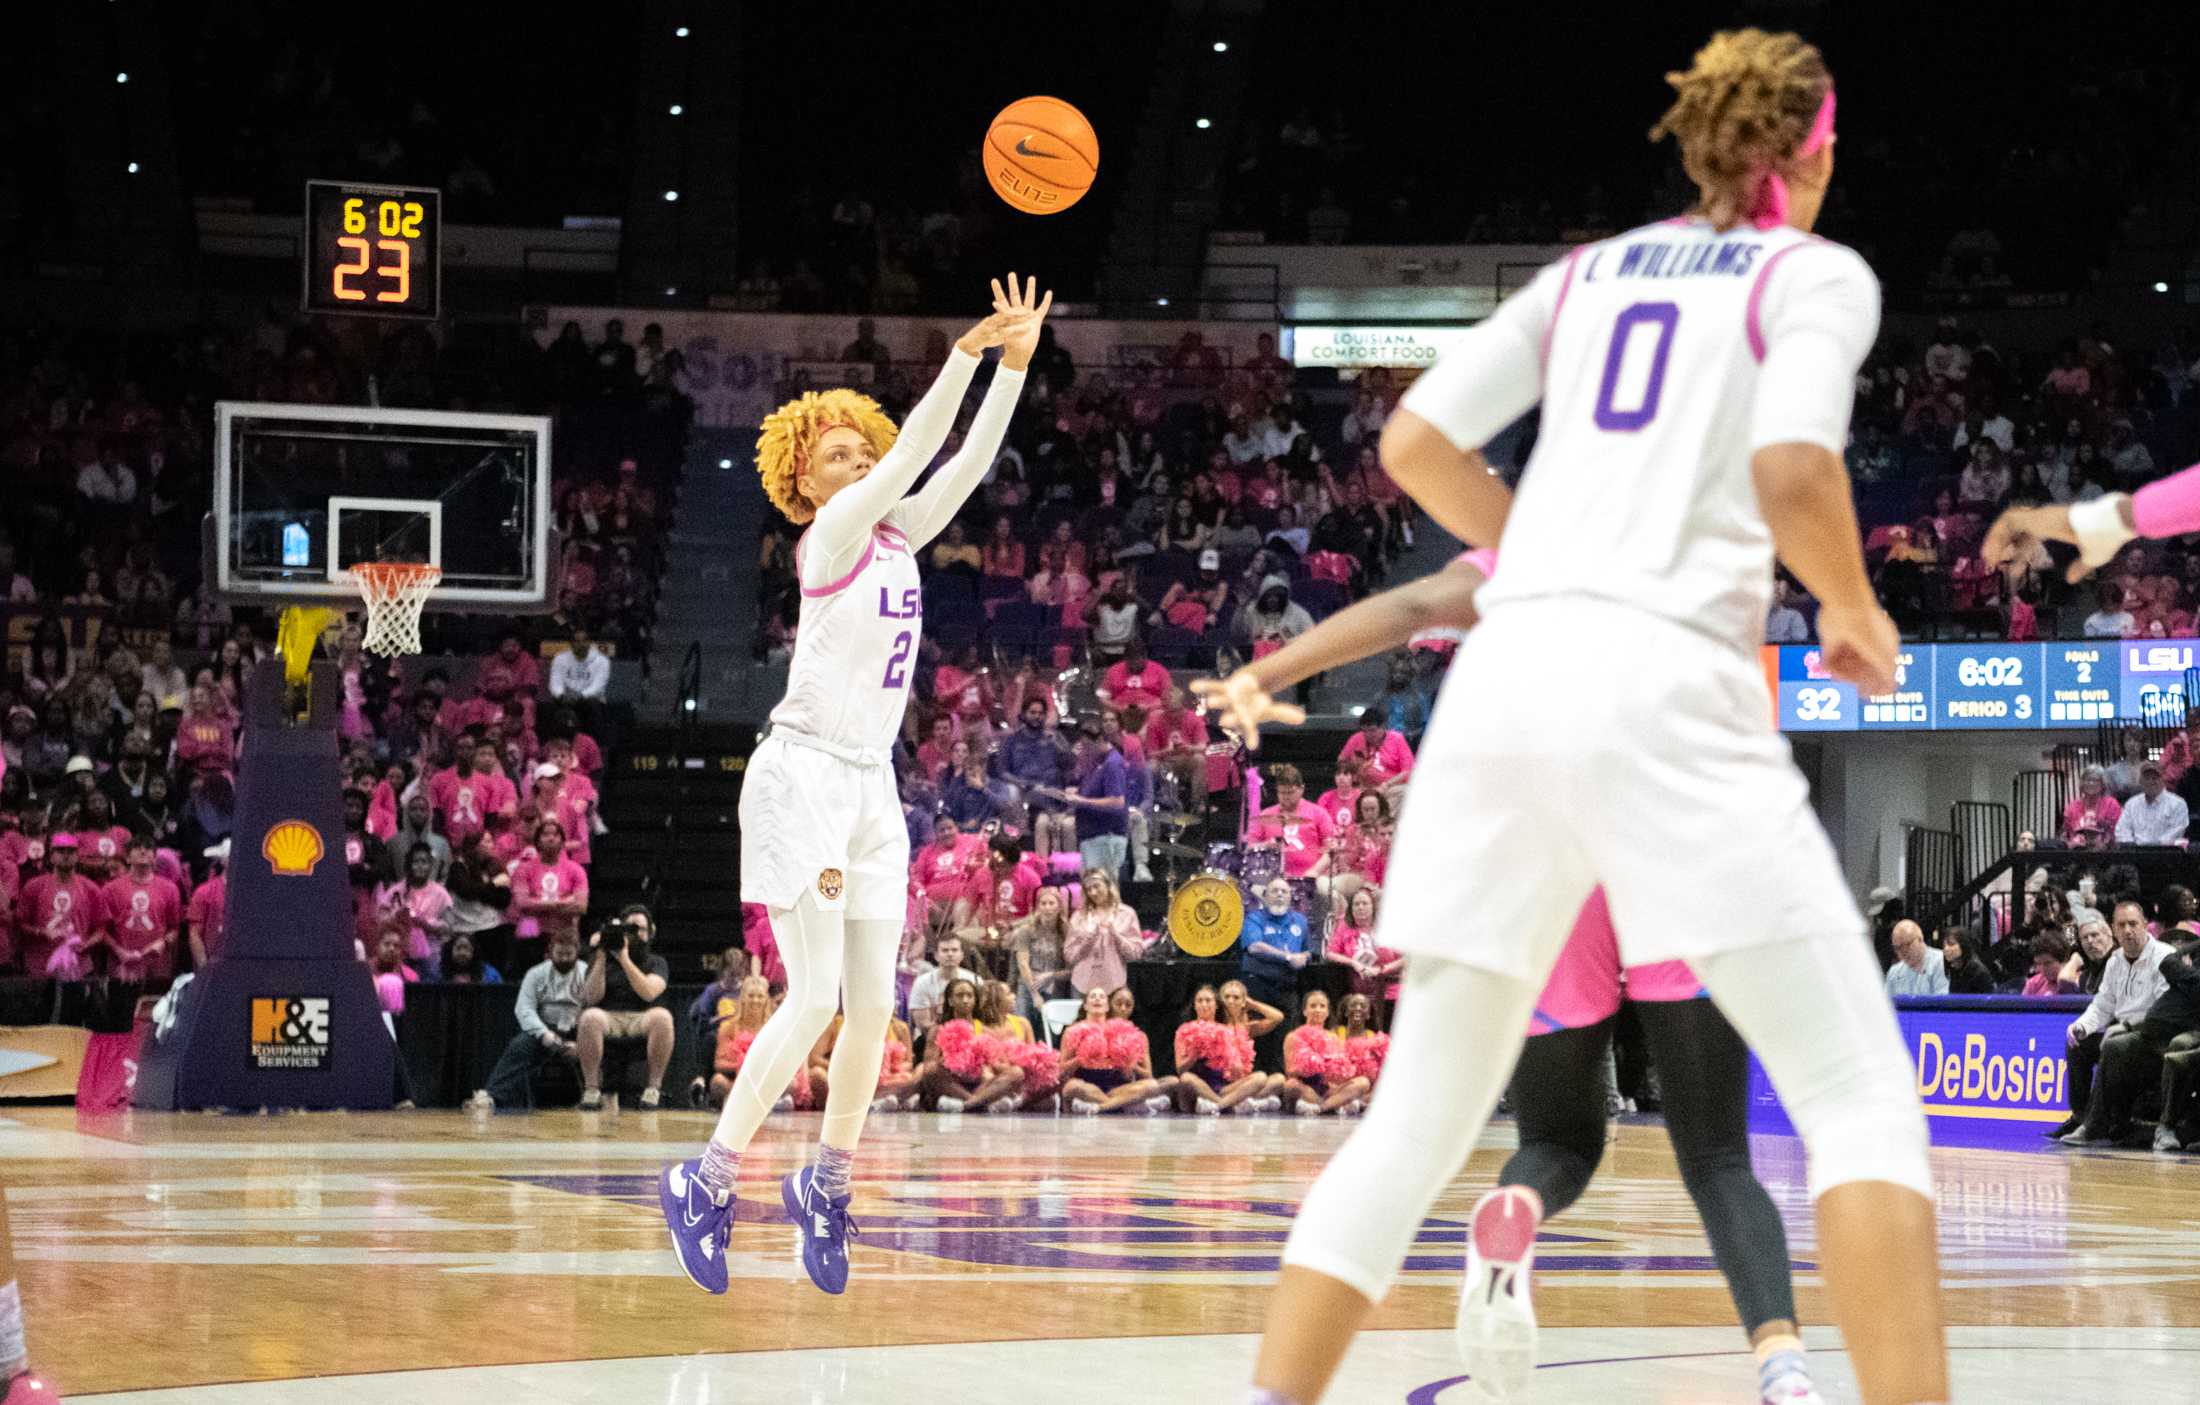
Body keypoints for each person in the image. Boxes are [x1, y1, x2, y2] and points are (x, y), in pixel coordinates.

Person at [1207, 33, 1948, 1405]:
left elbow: (1414, 446)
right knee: (1854, 1093)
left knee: (1421, 1114)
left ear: (1695, 147)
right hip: (1664, 684)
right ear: (1818, 150)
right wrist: (1851, 608)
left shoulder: (1587, 273)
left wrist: (1539, 552)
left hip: (1505, 690)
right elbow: (1792, 462)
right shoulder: (1812, 271)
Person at [2054, 901, 2170, 1145]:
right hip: (2121, 1034)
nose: (2128, 930)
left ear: (2145, 925)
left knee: (2114, 1045)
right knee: (2077, 1043)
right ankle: (2081, 1116)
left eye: (2133, 924)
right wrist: (2082, 1025)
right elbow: (2103, 1004)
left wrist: (2126, 1027)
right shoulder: (2115, 960)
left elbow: (2163, 1011)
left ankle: (2095, 1126)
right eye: (2121, 925)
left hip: (2153, 1039)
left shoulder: (2164, 957)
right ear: (2114, 930)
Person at [469, 930, 588, 1110]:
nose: (564, 959)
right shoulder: (536, 973)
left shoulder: (586, 971)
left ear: (577, 952)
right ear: (550, 952)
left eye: (569, 954)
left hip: (578, 1027)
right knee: (519, 1046)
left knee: (597, 1044)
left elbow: (594, 1005)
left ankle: (596, 1097)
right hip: (544, 1028)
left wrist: (579, 1042)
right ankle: (492, 1096)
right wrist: (543, 1034)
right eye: (559, 954)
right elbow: (524, 1008)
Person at [578, 906, 675, 1111]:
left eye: (640, 928)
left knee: (663, 1017)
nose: (636, 933)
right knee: (589, 1017)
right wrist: (601, 956)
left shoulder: (657, 962)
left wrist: (624, 959)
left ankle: (653, 1089)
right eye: (631, 928)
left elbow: (648, 992)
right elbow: (591, 998)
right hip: (609, 1017)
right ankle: (592, 1089)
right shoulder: (601, 960)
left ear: (650, 933)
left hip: (642, 1018)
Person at [1172, 984, 1273, 1114]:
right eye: (1200, 1001)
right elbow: (1180, 1069)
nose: (1204, 1004)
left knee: (1260, 1077)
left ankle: (1218, 1106)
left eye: (1208, 1000)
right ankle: (1232, 1104)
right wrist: (1194, 1056)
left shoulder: (1226, 1031)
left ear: (1216, 1005)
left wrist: (1235, 1068)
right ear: (1195, 1005)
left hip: (1222, 1088)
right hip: (1196, 1087)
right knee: (1186, 1078)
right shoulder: (1183, 1030)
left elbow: (1236, 1070)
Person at [1282, 990, 1371, 1116]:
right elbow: (1290, 1071)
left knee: (1363, 1082)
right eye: (1313, 1006)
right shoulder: (1293, 1036)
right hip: (1305, 1088)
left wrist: (1337, 1072)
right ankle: (1334, 1105)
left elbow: (1342, 1073)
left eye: (1322, 1006)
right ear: (1304, 1011)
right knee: (1291, 1085)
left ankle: (1322, 1108)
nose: (1318, 1010)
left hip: (1327, 1090)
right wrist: (1314, 1065)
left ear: (1327, 1012)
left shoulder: (1333, 1038)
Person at [1064, 867, 1144, 996]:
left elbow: (1135, 954)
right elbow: (1069, 956)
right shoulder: (1079, 916)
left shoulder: (1127, 914)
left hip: (1114, 986)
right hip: (1082, 986)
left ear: (1108, 885)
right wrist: (1088, 941)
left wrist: (1116, 935)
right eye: (1088, 889)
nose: (1093, 893)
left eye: (1096, 886)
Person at [1238, 877, 1310, 1016]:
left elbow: (1307, 951)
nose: (1280, 894)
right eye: (1275, 891)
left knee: (1288, 1034)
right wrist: (1288, 957)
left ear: (1290, 897)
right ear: (1265, 895)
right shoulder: (1254, 918)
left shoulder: (1300, 920)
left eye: (1284, 891)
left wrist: (1303, 957)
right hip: (1259, 987)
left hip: (1288, 988)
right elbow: (1254, 947)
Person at [907, 932, 980, 1035]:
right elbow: (923, 1025)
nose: (950, 954)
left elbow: (980, 1018)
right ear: (936, 956)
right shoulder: (922, 982)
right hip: (929, 1039)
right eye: (945, 950)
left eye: (954, 950)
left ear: (962, 955)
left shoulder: (974, 980)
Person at [2115, 761, 2189, 846]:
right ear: (2140, 781)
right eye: (2146, 778)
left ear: (2163, 779)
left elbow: (2176, 832)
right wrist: (2131, 846)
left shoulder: (2178, 804)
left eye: (2155, 778)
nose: (2151, 781)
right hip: (2135, 854)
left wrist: (2152, 847)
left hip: (2165, 853)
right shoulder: (2131, 804)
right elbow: (2121, 830)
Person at [1883, 919, 1948, 997]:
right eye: (1898, 947)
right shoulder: (1894, 972)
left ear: (1920, 939)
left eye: (1907, 944)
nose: (1903, 951)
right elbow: (1884, 1005)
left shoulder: (1941, 962)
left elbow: (1942, 1002)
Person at [1939, 928, 1994, 995]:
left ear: (1963, 945)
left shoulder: (1978, 972)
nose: (1946, 949)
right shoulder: (1954, 969)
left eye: (1951, 944)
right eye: (1944, 945)